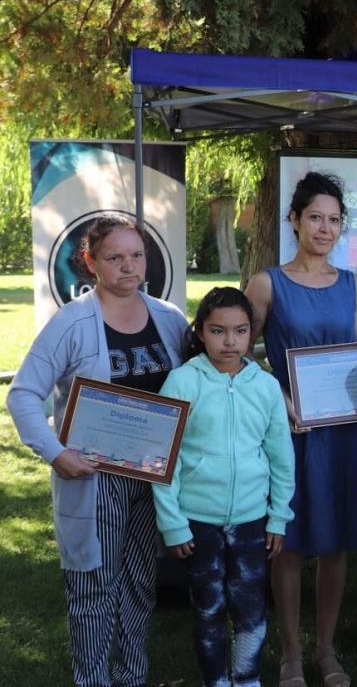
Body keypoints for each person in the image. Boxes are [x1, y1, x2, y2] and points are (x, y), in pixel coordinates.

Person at [7, 213, 188, 686]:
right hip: (92, 475)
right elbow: (24, 393)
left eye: (136, 255)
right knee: (94, 586)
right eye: (114, 257)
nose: (128, 267)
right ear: (90, 261)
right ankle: (92, 680)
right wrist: (54, 452)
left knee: (140, 585)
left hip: (150, 476)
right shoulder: (70, 324)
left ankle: (132, 676)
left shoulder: (169, 320)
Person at [245, 171, 357, 687]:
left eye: (334, 219)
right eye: (315, 217)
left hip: (342, 431)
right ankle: (290, 653)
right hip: (289, 429)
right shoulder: (266, 283)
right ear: (294, 220)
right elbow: (237, 355)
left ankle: (326, 650)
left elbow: (356, 361)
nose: (325, 228)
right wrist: (282, 399)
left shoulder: (354, 284)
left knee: (337, 542)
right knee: (289, 542)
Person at [152, 287, 295, 687]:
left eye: (240, 331)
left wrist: (278, 516)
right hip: (197, 523)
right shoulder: (181, 382)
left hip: (253, 521)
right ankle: (215, 680)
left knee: (250, 609)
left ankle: (247, 679)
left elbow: (281, 457)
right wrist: (173, 524)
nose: (229, 341)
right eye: (218, 331)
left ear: (252, 333)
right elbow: (165, 459)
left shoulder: (265, 387)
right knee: (208, 609)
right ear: (200, 332)